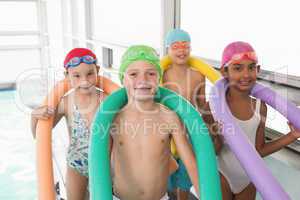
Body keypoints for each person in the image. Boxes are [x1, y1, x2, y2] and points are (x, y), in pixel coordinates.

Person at [110, 45, 199, 200]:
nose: (142, 80)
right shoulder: (113, 118)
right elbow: (99, 166)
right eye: (133, 74)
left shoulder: (169, 117)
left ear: (159, 79)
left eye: (150, 73)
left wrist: (207, 194)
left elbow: (190, 163)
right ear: (122, 79)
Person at [216, 41, 300, 200]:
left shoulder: (260, 107)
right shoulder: (214, 107)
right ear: (224, 72)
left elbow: (258, 150)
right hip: (222, 176)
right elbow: (210, 152)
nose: (246, 74)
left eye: (251, 67)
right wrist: (216, 136)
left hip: (249, 178)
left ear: (258, 70)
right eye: (237, 68)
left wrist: (292, 136)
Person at [31, 48, 106, 200]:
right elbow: (38, 135)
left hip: (103, 163)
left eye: (90, 74)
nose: (84, 81)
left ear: (97, 70)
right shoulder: (66, 103)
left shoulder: (107, 100)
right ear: (67, 76)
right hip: (76, 165)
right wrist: (34, 116)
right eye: (76, 76)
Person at [162, 28, 207, 200]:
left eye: (185, 46)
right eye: (176, 46)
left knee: (186, 173)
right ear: (168, 49)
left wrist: (214, 122)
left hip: (190, 129)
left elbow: (202, 104)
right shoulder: (163, 74)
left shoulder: (198, 75)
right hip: (167, 130)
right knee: (165, 171)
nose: (181, 50)